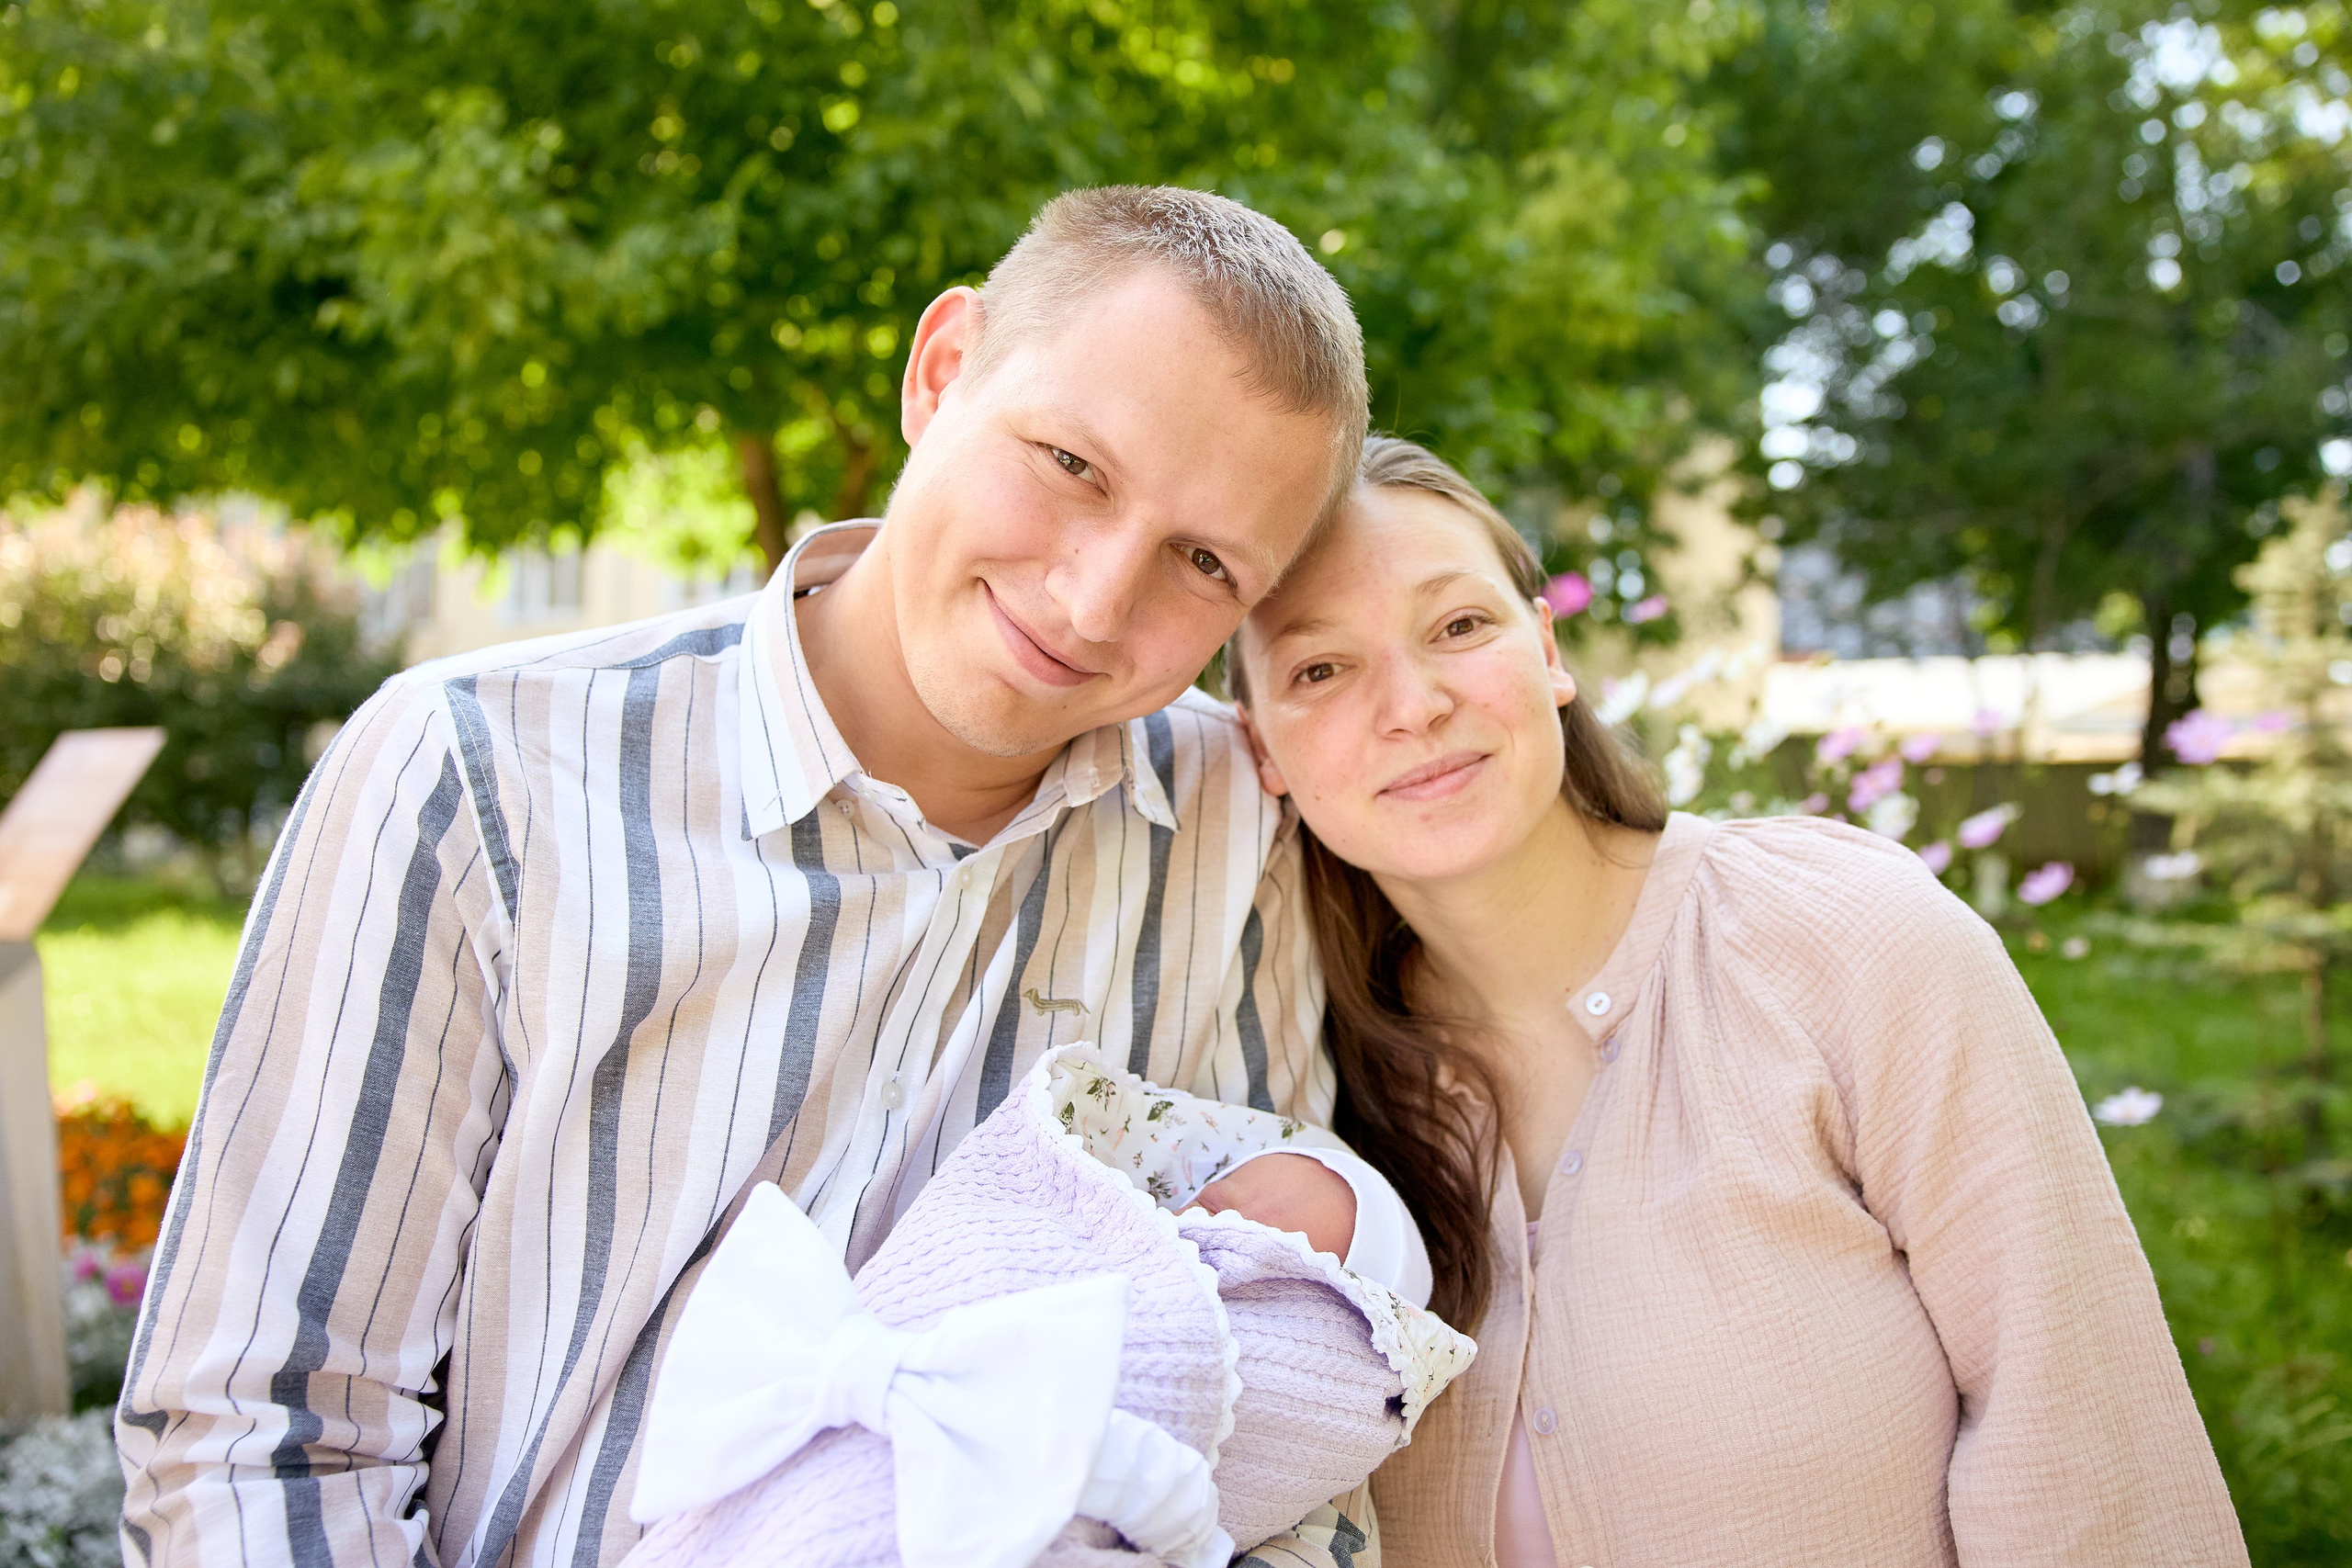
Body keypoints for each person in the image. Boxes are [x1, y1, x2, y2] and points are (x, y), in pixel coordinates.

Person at [116, 187, 1377, 1568]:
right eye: (1072, 463)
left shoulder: (1233, 833)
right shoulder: (476, 775)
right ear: (941, 370)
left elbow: (1270, 1387)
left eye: (1202, 561)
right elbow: (264, 1434)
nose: (1093, 600)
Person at [1226, 435, 2251, 1566]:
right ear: (1261, 748)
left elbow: (2085, 1454)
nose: (1412, 705)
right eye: (1319, 670)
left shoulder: (1846, 944)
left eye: (1458, 626)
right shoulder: (1283, 1084)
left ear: (1548, 650)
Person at [620, 1044, 1472, 1568]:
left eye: (1266, 1231)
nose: (1213, 1219)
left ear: (1328, 1302)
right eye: (1219, 1190)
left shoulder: (1283, 1370)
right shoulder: (1107, 1241)